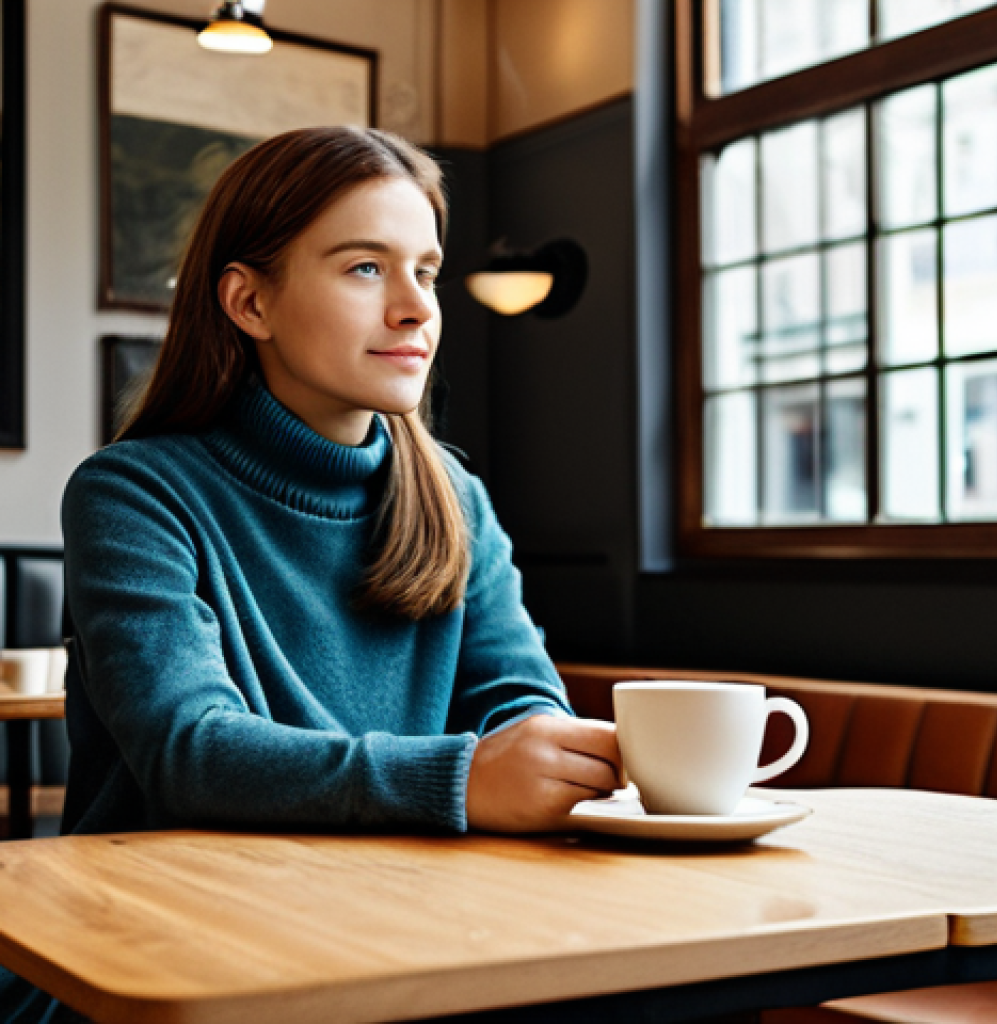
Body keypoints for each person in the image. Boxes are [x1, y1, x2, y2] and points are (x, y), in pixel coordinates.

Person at [0, 125, 623, 1023]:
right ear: (249, 302)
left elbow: (519, 702)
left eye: (427, 270)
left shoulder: (454, 498)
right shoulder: (132, 494)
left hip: (398, 946)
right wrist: (461, 780)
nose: (415, 309)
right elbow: (190, 751)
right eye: (366, 268)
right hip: (161, 966)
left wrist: (545, 757)